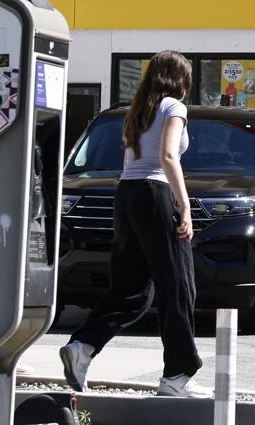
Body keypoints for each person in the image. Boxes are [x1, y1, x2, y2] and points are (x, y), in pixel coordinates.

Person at [60, 51, 201, 398]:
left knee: (132, 288)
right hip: (155, 193)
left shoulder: (139, 110)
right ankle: (177, 374)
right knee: (178, 284)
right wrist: (185, 208)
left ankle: (83, 345)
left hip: (127, 194)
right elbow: (168, 156)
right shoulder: (173, 107)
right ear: (179, 79)